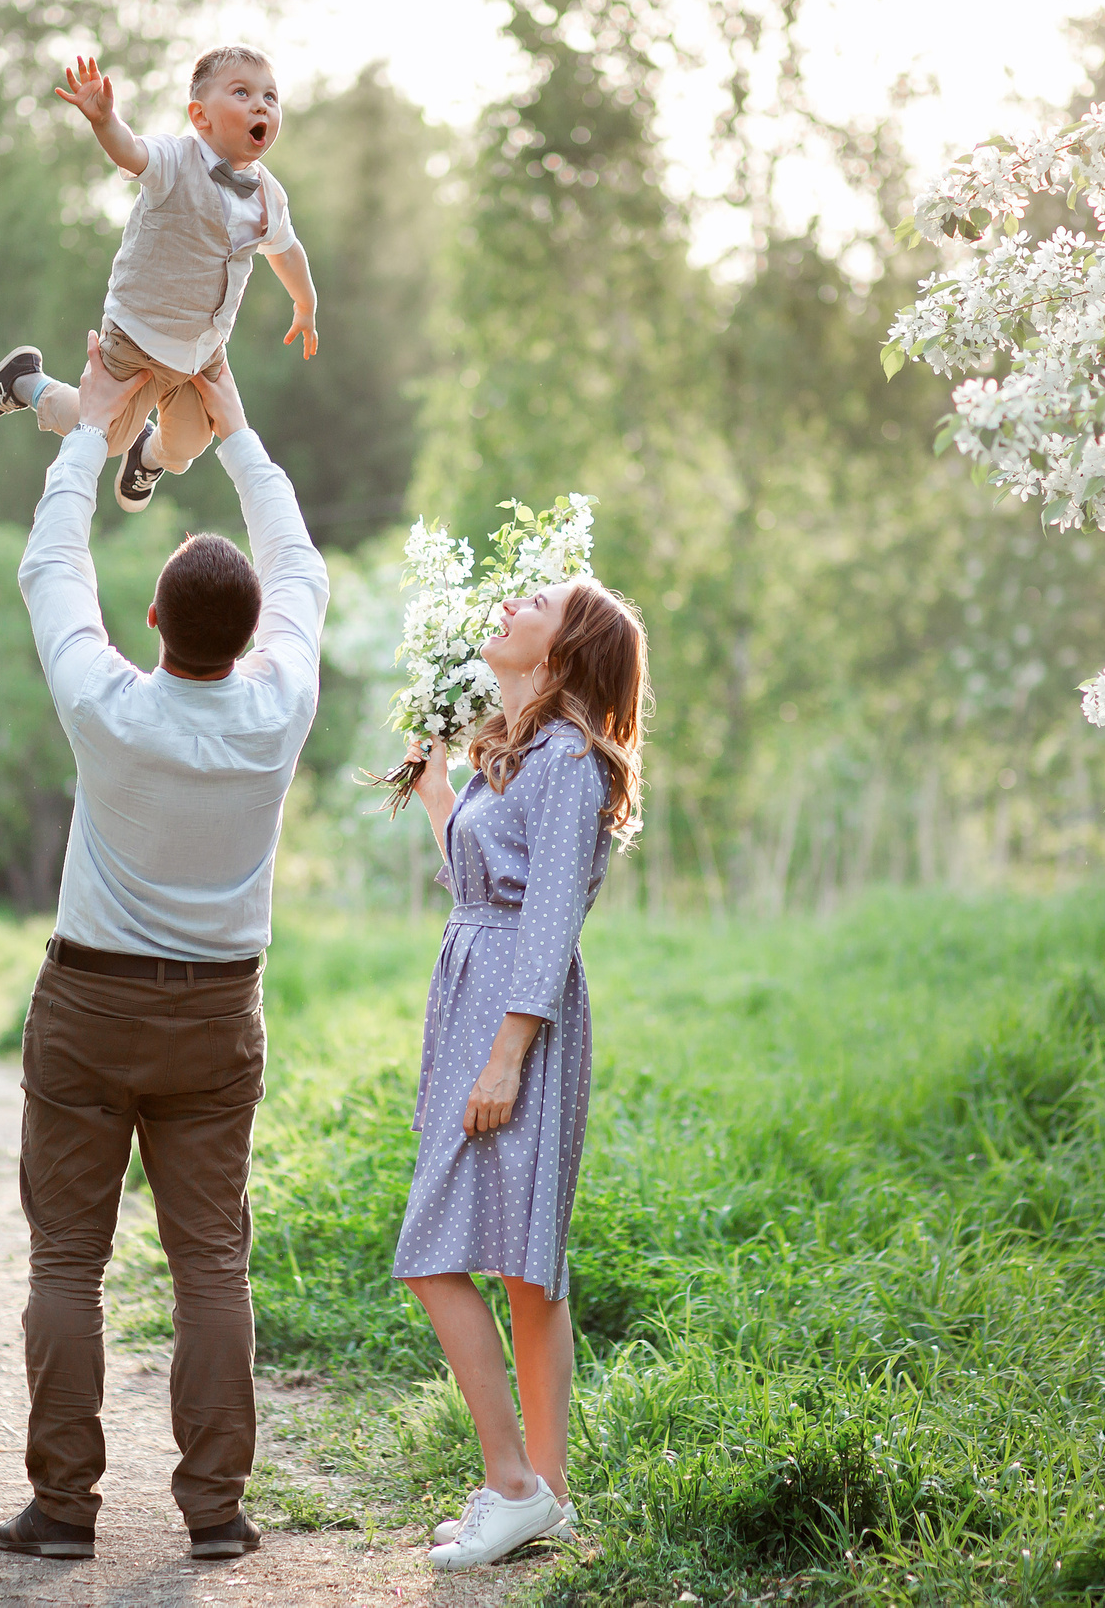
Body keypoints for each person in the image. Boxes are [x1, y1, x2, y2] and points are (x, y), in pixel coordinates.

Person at [0, 330, 328, 1565]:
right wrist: (232, 425)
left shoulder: (108, 706)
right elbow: (299, 563)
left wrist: (91, 426)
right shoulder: (279, 710)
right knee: (211, 1268)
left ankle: (63, 1511)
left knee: (68, 1263)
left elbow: (49, 562)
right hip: (216, 1019)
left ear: (150, 621)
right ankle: (215, 1513)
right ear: (251, 633)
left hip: (88, 1010)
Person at [393, 578, 650, 1572]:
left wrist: (506, 1058)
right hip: (480, 995)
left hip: (514, 1015)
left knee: (443, 1253)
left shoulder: (571, 762)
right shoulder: (524, 753)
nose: (509, 603)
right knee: (521, 1267)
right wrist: (438, 799)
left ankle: (512, 1487)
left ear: (565, 646)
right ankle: (550, 1495)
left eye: (535, 600)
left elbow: (546, 920)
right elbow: (487, 886)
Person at [0, 44, 321, 515]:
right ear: (200, 116)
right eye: (242, 93)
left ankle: (148, 455)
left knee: (189, 446)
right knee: (104, 435)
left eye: (270, 97)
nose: (261, 106)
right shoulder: (175, 160)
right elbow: (132, 151)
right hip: (138, 334)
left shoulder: (268, 197)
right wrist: (104, 121)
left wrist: (305, 304)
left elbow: (287, 250)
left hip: (202, 350)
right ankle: (28, 383)